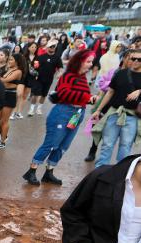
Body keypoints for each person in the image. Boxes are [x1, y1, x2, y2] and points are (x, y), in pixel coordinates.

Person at [23, 49, 97, 186]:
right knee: (51, 144)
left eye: (91, 61)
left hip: (77, 114)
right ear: (80, 62)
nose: (91, 64)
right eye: (88, 61)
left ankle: (49, 172)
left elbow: (81, 96)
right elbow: (63, 94)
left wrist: (90, 100)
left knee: (63, 146)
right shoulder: (68, 76)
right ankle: (31, 171)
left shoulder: (82, 78)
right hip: (63, 112)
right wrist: (87, 97)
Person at [92, 48, 141, 168]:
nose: (135, 61)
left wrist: (139, 91)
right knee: (107, 144)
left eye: (139, 59)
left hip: (132, 117)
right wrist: (98, 110)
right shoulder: (120, 73)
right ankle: (100, 171)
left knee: (125, 146)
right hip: (114, 113)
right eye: (132, 58)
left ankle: (120, 173)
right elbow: (110, 92)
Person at [0, 52, 22, 149]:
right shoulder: (8, 69)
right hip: (2, 94)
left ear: (17, 62)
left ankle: (2, 142)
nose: (9, 61)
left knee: (4, 120)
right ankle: (4, 135)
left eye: (12, 60)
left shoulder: (18, 71)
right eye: (10, 59)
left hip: (10, 95)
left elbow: (4, 80)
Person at [29, 39, 63, 116]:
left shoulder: (57, 58)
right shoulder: (40, 57)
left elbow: (60, 68)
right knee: (35, 94)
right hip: (39, 79)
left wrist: (60, 73)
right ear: (47, 47)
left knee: (44, 95)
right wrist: (33, 71)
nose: (52, 48)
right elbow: (34, 67)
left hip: (49, 79)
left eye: (53, 47)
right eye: (50, 47)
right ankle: (31, 109)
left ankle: (39, 109)